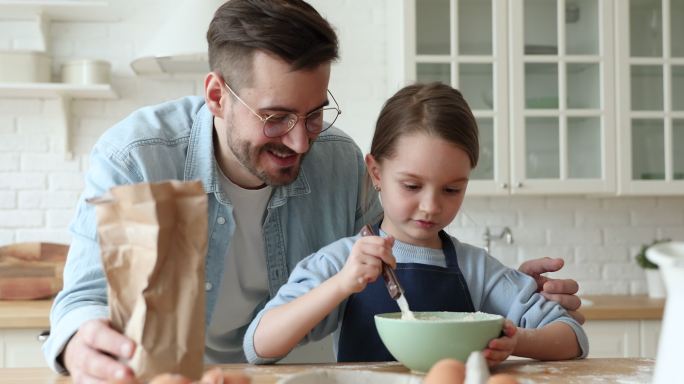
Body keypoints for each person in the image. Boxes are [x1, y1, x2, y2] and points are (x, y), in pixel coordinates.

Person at [42, 0, 583, 382]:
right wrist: (81, 341)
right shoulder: (136, 157)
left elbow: (397, 259)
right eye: (276, 117)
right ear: (216, 95)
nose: (301, 141)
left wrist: (495, 290)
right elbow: (84, 299)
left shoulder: (341, 160)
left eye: (315, 112)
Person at [242, 83, 588, 365]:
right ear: (376, 173)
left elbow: (572, 336)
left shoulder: (476, 269)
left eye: (452, 189)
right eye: (411, 186)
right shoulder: (341, 262)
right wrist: (342, 285)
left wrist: (516, 340)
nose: (431, 206)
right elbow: (259, 345)